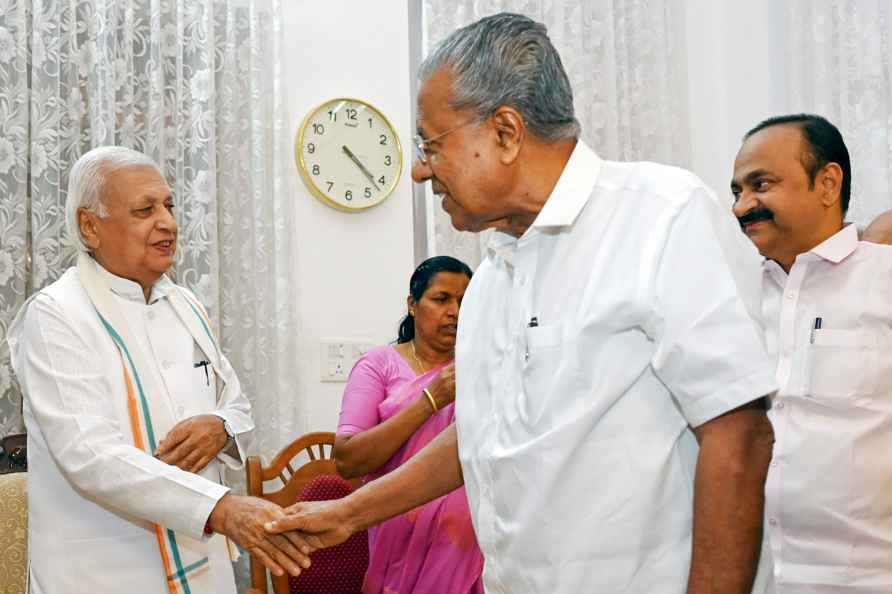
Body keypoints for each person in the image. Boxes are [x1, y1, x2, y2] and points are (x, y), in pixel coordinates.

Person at [267, 13, 778, 594]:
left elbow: (738, 432)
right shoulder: (490, 278)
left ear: (506, 132)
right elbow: (477, 440)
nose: (419, 170)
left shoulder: (662, 214)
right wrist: (349, 513)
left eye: (432, 144)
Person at [6, 146, 308, 594]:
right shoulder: (56, 315)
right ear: (90, 226)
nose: (167, 222)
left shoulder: (185, 304)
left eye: (168, 206)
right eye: (145, 210)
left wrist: (221, 427)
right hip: (105, 569)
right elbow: (90, 454)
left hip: (202, 564)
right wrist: (221, 509)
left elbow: (236, 402)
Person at [731, 114, 892, 594]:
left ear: (827, 183)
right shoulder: (729, 295)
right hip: (759, 579)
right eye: (737, 191)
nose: (743, 205)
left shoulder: (882, 279)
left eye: (761, 184)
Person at [334, 255, 482, 594]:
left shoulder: (483, 365)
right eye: (442, 299)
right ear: (413, 304)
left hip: (468, 546)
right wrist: (431, 400)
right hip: (397, 536)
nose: (455, 312)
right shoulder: (378, 366)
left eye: (464, 301)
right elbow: (348, 460)